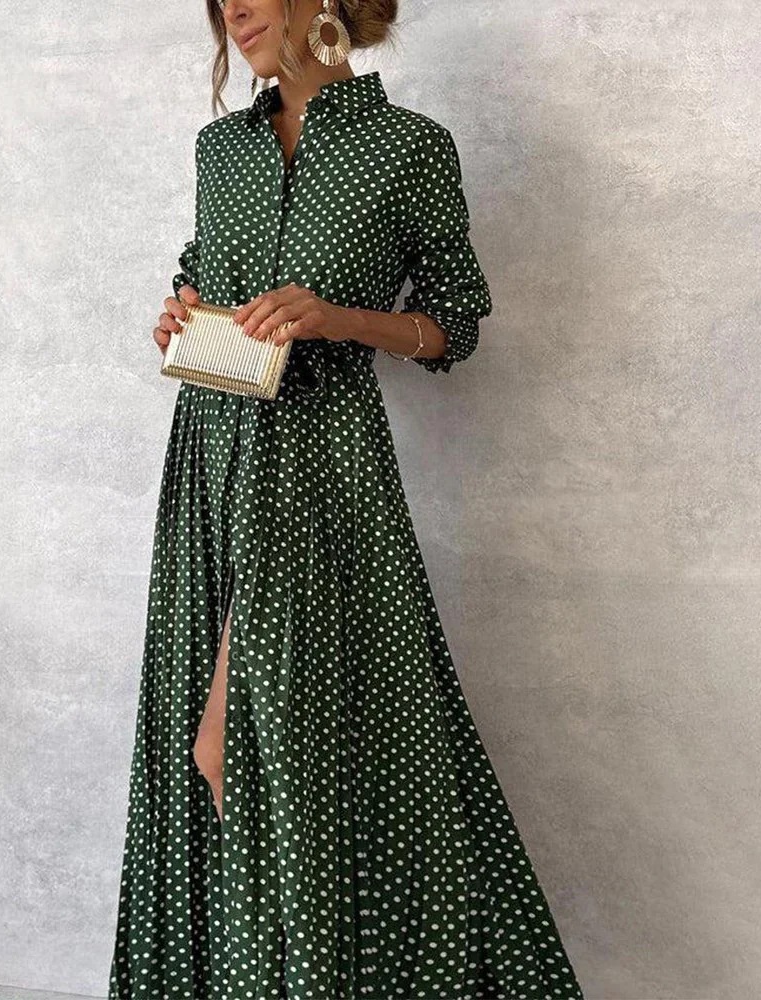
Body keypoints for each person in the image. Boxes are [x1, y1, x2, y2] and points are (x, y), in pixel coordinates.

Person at [109, 2, 586, 998]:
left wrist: (339, 318)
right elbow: (202, 277)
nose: (233, 10)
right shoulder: (220, 150)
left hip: (322, 472)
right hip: (210, 461)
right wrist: (182, 315)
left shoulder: (408, 148)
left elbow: (455, 322)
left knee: (241, 746)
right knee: (226, 748)